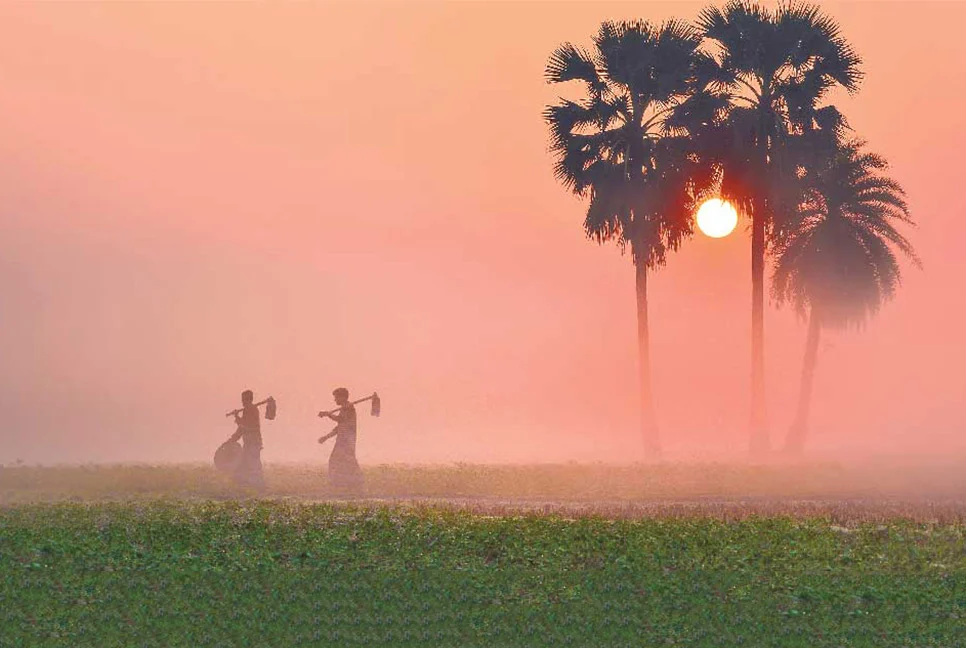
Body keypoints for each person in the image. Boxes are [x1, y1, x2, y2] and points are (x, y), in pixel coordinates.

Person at [318, 387, 363, 491]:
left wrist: (328, 414)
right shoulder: (345, 408)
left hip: (346, 440)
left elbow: (341, 420)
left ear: (342, 397)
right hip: (343, 440)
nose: (335, 400)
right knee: (345, 461)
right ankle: (349, 484)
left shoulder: (349, 408)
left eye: (336, 397)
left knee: (339, 461)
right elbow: (339, 427)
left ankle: (344, 484)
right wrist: (326, 437)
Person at [229, 389, 265, 490]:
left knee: (254, 464)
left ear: (249, 399)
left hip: (253, 442)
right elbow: (242, 427)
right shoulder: (248, 410)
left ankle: (259, 486)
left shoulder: (251, 410)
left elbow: (245, 426)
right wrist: (233, 439)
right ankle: (244, 486)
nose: (243, 402)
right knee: (243, 465)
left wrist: (237, 417)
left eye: (244, 399)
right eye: (242, 399)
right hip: (249, 442)